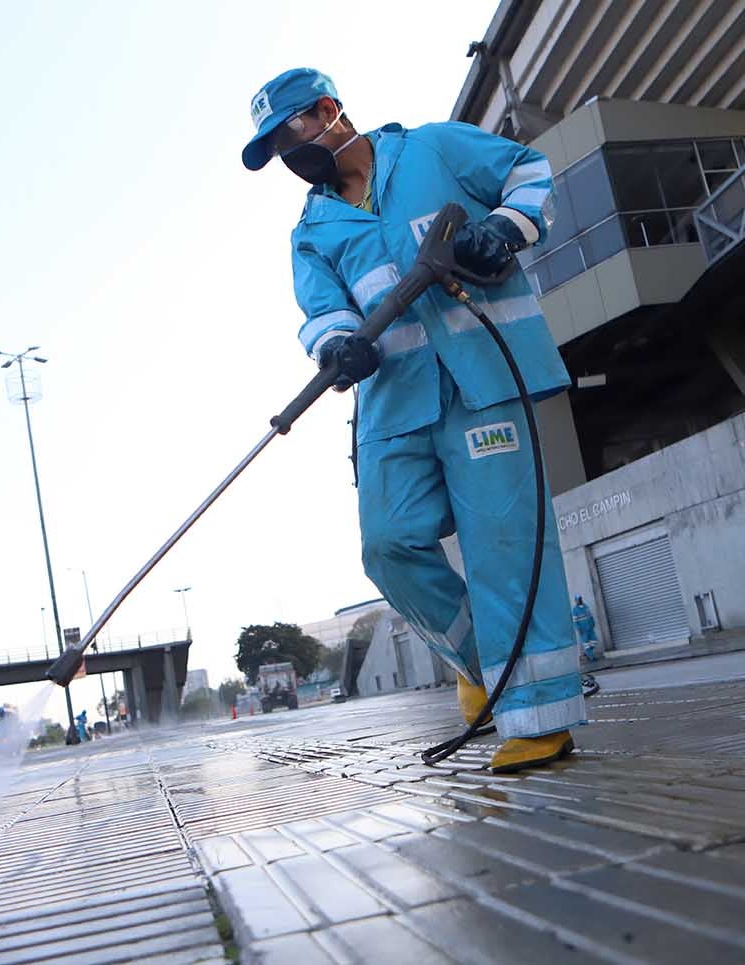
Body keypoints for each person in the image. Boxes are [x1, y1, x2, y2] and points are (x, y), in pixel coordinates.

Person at [243, 69, 586, 773]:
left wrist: (502, 228)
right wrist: (337, 343)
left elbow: (530, 171)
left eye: (291, 130)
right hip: (394, 405)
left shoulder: (434, 150)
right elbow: (322, 310)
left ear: (330, 111)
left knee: (503, 544)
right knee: (389, 545)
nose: (287, 150)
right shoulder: (312, 230)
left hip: (483, 383)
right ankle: (484, 666)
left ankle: (539, 717)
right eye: (276, 144)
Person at [571, 595, 599, 662]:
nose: (579, 600)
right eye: (578, 599)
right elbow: (575, 621)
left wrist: (593, 623)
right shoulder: (575, 610)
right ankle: (592, 658)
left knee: (595, 641)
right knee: (586, 645)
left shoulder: (586, 606)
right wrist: (578, 629)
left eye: (580, 599)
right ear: (575, 601)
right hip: (583, 630)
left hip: (590, 628)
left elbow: (590, 615)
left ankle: (587, 653)